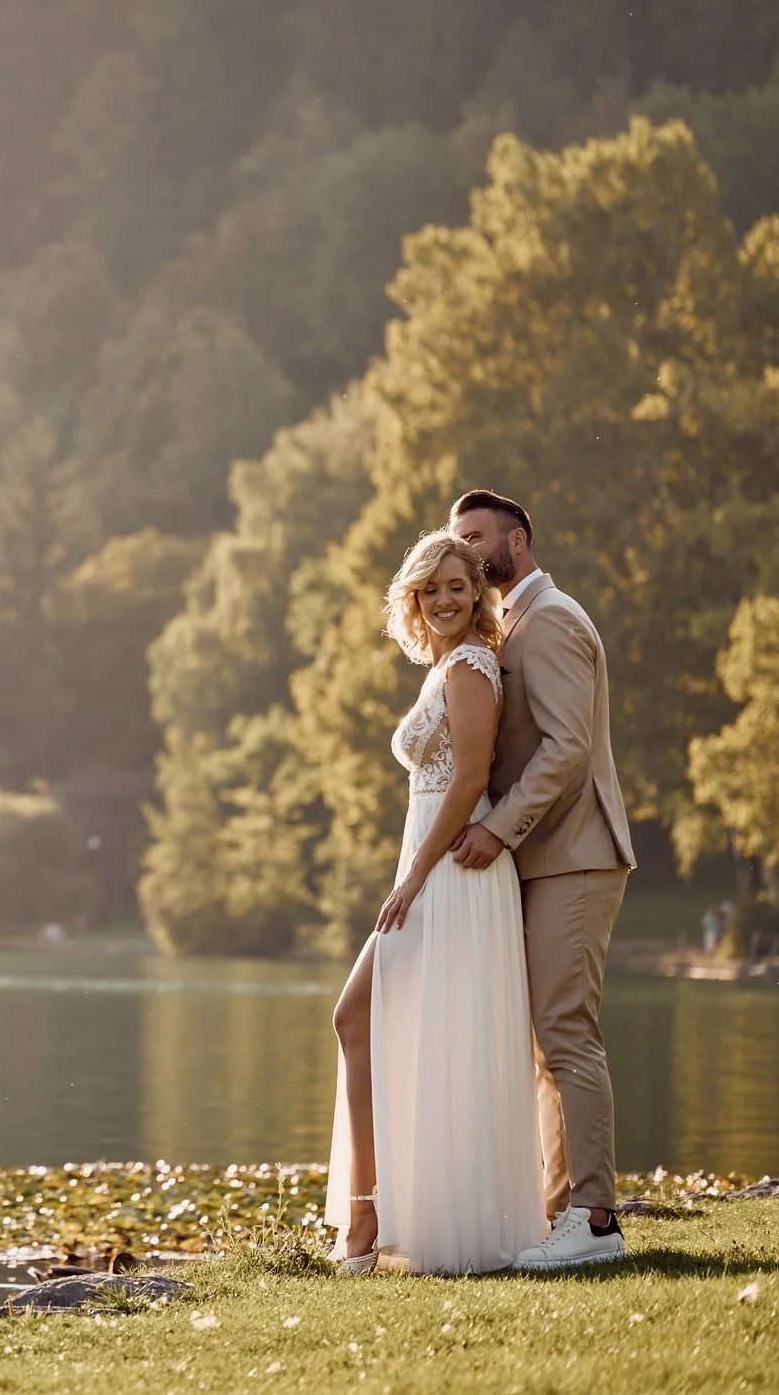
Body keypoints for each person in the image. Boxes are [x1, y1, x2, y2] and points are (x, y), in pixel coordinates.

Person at [324, 529, 545, 1274]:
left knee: (358, 1016)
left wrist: (416, 875)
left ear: (477, 591)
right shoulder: (448, 666)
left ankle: (372, 1219)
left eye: (457, 585)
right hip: (429, 864)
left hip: (449, 872)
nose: (444, 599)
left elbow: (472, 778)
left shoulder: (473, 665)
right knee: (390, 1027)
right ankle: (376, 1216)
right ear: (413, 598)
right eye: (430, 589)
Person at [450, 489, 637, 1271]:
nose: (464, 549)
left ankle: (595, 1220)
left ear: (517, 540)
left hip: (576, 855)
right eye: (456, 537)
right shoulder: (512, 624)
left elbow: (565, 749)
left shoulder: (551, 619)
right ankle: (561, 1214)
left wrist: (496, 826)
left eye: (476, 536)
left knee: (566, 1034)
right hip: (546, 859)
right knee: (545, 1044)